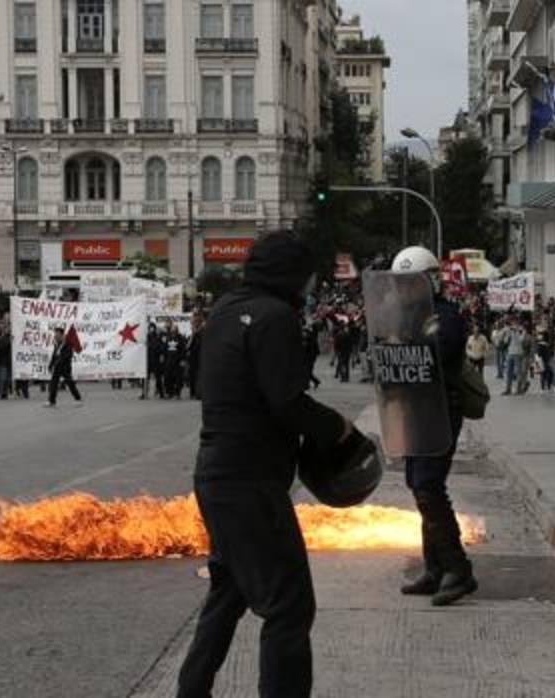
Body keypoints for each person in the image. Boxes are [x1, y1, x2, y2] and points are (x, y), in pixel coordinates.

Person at [177, 232, 352, 698]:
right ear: (290, 273)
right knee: (289, 608)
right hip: (250, 482)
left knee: (228, 595)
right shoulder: (274, 318)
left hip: (215, 474)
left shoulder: (224, 312)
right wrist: (339, 429)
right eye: (306, 274)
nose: (310, 284)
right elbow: (287, 401)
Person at [389, 246, 478, 607]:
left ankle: (459, 569)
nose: (405, 289)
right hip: (415, 410)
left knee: (428, 485)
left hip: (440, 410)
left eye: (411, 282)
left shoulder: (443, 315)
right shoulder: (406, 317)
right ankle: (435, 568)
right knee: (418, 484)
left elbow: (439, 352)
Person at [44, 327, 82, 407]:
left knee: (70, 383)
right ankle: (52, 401)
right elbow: (54, 355)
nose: (55, 336)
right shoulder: (57, 344)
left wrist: (60, 361)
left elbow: (68, 355)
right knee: (53, 383)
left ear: (62, 335)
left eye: (57, 334)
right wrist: (51, 365)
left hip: (65, 367)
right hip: (57, 367)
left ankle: (78, 398)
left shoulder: (68, 343)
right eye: (55, 334)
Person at [501, 318, 526, 395]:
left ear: (518, 324)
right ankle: (508, 389)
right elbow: (505, 341)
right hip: (510, 352)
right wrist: (507, 334)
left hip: (518, 353)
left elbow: (521, 340)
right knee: (508, 372)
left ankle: (519, 389)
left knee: (518, 372)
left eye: (515, 323)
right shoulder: (509, 331)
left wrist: (516, 332)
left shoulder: (522, 331)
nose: (513, 325)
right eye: (512, 324)